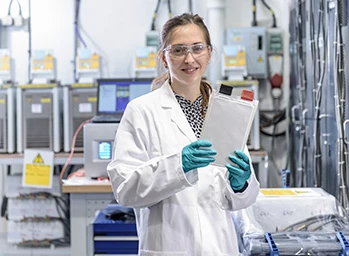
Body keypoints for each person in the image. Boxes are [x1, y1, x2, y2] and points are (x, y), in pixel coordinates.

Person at [107, 12, 260, 256]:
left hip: (219, 247)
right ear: (164, 58)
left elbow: (242, 200)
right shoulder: (142, 111)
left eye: (197, 48)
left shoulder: (227, 111)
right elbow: (125, 190)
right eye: (178, 50)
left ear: (209, 53)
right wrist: (178, 165)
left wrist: (242, 184)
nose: (189, 58)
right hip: (169, 246)